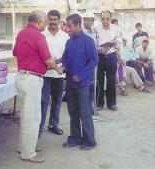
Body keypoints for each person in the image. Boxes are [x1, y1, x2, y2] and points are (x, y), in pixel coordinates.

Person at [13, 10, 63, 163]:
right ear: (39, 21)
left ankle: (25, 146)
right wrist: (58, 68)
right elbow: (48, 60)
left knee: (26, 115)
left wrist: (34, 61)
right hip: (32, 80)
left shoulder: (22, 33)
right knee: (33, 117)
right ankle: (28, 153)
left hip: (22, 77)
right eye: (45, 21)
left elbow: (15, 52)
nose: (47, 24)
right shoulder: (38, 36)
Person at [62, 13, 98, 150]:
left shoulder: (88, 41)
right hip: (70, 83)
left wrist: (81, 75)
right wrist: (63, 67)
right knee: (73, 111)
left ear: (78, 25)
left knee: (84, 111)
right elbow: (65, 59)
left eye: (69, 26)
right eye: (66, 25)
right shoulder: (69, 41)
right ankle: (75, 137)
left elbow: (94, 60)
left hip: (82, 84)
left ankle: (90, 140)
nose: (67, 28)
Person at [39, 10, 69, 137]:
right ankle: (39, 127)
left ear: (59, 20)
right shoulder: (41, 35)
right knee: (43, 101)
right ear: (47, 19)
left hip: (59, 74)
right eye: (50, 19)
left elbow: (68, 54)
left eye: (54, 19)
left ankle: (53, 125)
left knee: (57, 101)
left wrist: (60, 61)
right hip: (45, 74)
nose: (52, 22)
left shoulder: (65, 36)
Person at [96, 10, 122, 111]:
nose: (105, 21)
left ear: (110, 19)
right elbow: (94, 43)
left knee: (111, 80)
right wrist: (99, 47)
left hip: (111, 56)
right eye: (103, 18)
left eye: (107, 18)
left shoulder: (115, 29)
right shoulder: (97, 29)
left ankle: (111, 103)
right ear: (100, 19)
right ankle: (100, 103)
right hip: (100, 56)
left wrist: (116, 45)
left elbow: (120, 42)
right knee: (100, 81)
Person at [81, 11, 98, 114]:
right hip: (83, 61)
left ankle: (91, 105)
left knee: (93, 84)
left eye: (88, 20)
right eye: (84, 20)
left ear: (92, 21)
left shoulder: (95, 32)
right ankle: (84, 106)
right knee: (84, 84)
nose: (85, 22)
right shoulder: (80, 32)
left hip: (92, 61)